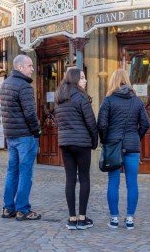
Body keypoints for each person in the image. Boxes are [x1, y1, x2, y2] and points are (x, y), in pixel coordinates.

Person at [97, 69, 150, 230]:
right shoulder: (137, 101)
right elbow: (145, 124)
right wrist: (135, 137)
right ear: (127, 80)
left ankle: (114, 218)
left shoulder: (108, 100)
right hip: (132, 145)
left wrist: (105, 140)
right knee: (132, 183)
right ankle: (129, 218)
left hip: (113, 145)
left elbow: (102, 124)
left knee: (113, 182)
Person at [54, 67, 98, 230]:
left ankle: (71, 219)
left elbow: (59, 122)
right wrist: (94, 142)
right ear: (74, 79)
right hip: (81, 143)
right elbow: (91, 123)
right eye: (82, 77)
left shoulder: (60, 97)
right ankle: (82, 218)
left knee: (70, 179)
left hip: (65, 144)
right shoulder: (81, 97)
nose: (85, 80)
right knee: (84, 178)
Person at [0, 54, 42, 221]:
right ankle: (22, 209)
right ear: (20, 67)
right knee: (25, 172)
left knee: (12, 171)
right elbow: (30, 113)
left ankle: (8, 207)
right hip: (25, 135)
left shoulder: (5, 84)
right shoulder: (24, 86)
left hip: (11, 135)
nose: (32, 69)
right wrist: (37, 131)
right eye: (29, 66)